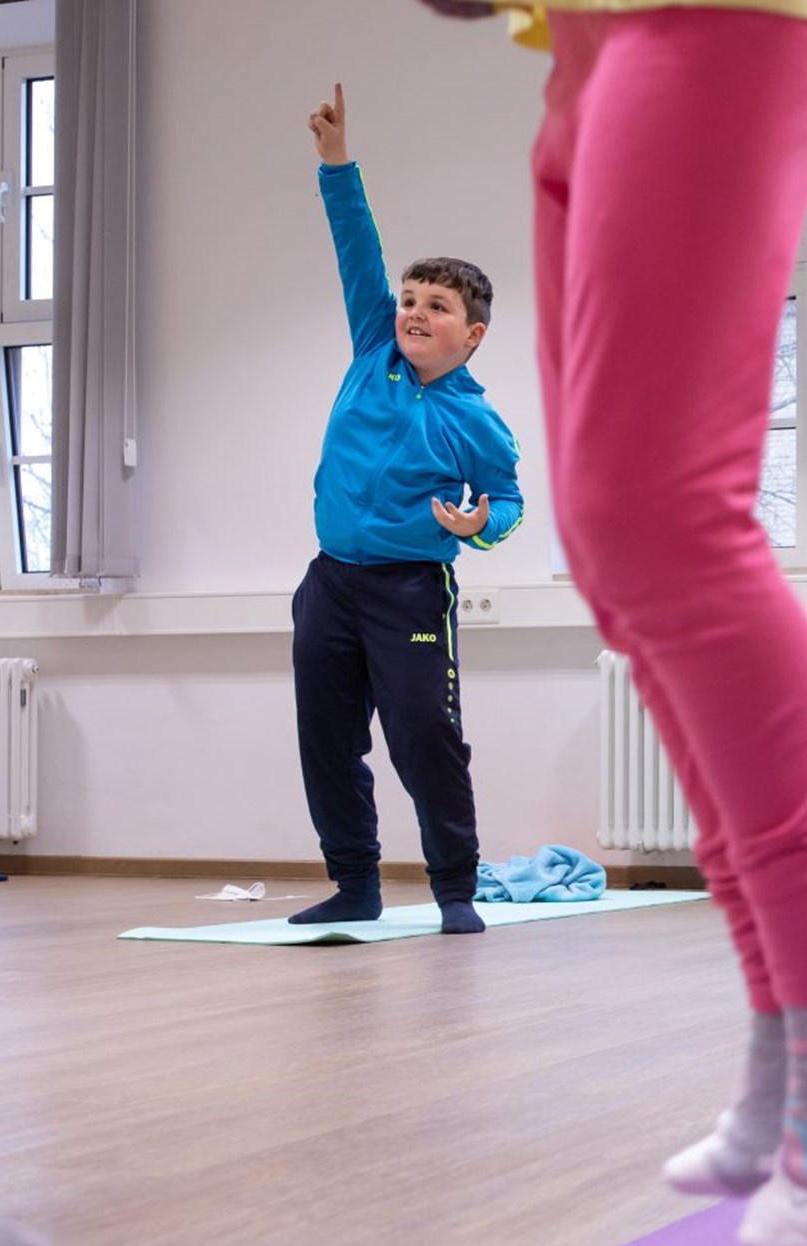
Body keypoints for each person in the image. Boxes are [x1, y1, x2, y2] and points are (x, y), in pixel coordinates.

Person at [414, 1, 807, 1246]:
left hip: (726, 13)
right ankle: (788, 1011)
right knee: (614, 548)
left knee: (668, 515)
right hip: (580, 32)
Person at [291, 85, 524, 936]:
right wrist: (336, 163)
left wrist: (481, 528)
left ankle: (454, 890)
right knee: (327, 738)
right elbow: (357, 245)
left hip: (410, 592)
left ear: (472, 334)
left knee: (425, 739)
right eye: (411, 300)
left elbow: (509, 502)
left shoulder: (476, 420)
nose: (415, 313)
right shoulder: (370, 352)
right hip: (329, 584)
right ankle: (354, 885)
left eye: (437, 307)